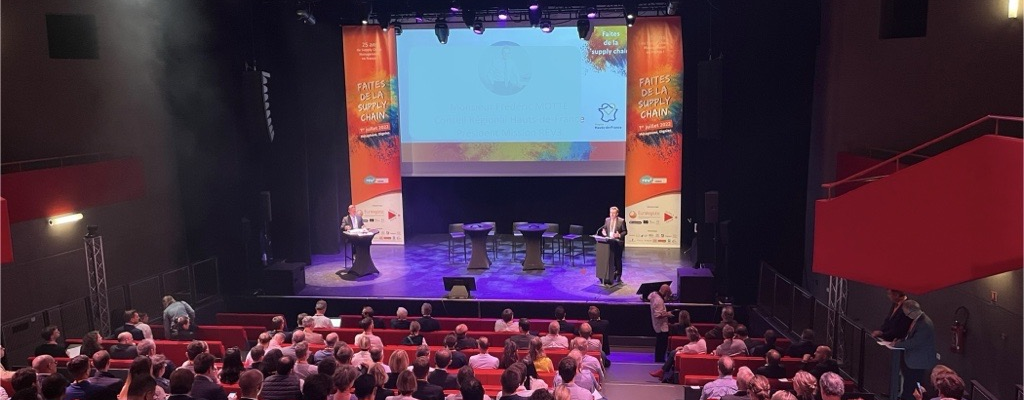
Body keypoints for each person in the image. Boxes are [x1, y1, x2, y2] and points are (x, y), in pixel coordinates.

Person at [893, 300, 937, 400]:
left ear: (912, 311)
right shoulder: (918, 320)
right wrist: (901, 340)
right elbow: (911, 337)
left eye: (907, 314)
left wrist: (897, 344)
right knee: (909, 386)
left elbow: (915, 342)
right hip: (913, 361)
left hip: (917, 363)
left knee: (912, 388)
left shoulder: (925, 324)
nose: (906, 316)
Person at [598, 206, 626, 285]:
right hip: (609, 243)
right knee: (611, 259)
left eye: (614, 213)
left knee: (618, 260)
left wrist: (619, 235)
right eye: (611, 213)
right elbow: (605, 229)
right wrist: (604, 232)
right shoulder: (607, 220)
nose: (612, 215)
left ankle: (618, 276)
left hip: (618, 243)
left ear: (617, 214)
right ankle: (612, 274)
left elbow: (625, 232)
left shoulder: (621, 221)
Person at [649, 284, 673, 363]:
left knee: (659, 344)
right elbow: (658, 315)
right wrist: (668, 314)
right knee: (661, 345)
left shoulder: (654, 295)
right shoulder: (659, 300)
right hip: (661, 327)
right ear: (665, 292)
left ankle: (659, 359)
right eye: (668, 294)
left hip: (658, 326)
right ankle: (660, 361)